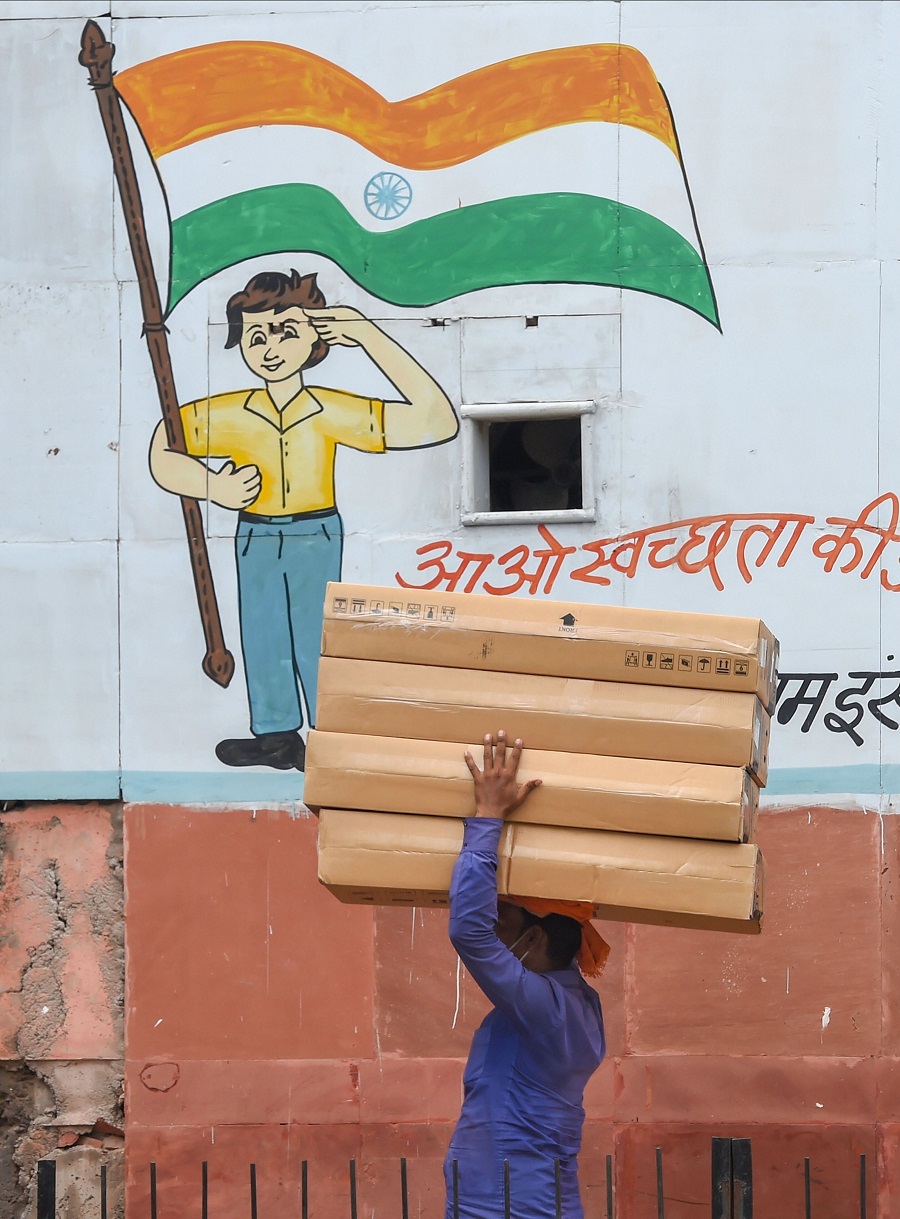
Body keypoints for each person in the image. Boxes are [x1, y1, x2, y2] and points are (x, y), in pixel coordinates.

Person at [149, 269, 458, 770]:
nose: (269, 347)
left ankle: (330, 730)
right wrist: (214, 488)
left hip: (315, 531)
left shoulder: (330, 410)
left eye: (285, 332)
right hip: (255, 532)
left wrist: (366, 334)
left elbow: (435, 420)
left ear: (316, 338)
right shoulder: (228, 413)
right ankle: (276, 736)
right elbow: (164, 447)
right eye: (255, 336)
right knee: (263, 629)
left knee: (317, 633)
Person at [445, 731, 608, 1219]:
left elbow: (467, 932)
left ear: (534, 940)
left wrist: (488, 816)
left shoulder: (546, 1009)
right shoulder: (573, 1004)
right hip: (511, 1200)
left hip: (511, 1206)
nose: (494, 928)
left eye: (506, 921)